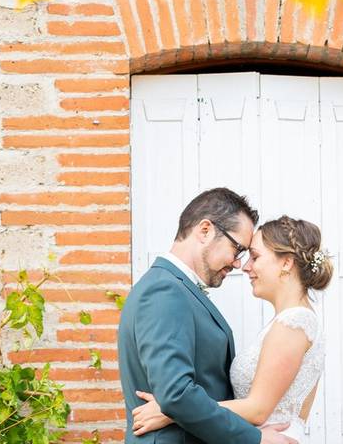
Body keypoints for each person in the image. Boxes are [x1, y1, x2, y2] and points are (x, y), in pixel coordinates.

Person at [131, 215, 334, 444]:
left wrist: (172, 412)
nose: (245, 267)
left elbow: (257, 409)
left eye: (255, 257)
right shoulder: (288, 322)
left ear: (286, 263)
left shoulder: (294, 324)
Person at [117, 188, 297, 444]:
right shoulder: (164, 291)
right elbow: (176, 394)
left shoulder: (176, 288)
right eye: (237, 249)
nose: (238, 263)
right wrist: (255, 439)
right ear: (205, 230)